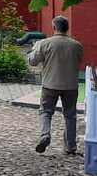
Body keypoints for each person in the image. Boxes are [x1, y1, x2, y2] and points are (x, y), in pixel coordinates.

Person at [28, 16, 85, 155]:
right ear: (67, 28)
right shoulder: (76, 45)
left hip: (50, 84)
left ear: (54, 27)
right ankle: (70, 146)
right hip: (71, 85)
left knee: (46, 112)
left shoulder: (45, 43)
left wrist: (33, 49)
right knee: (70, 115)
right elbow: (80, 60)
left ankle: (44, 136)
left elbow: (32, 61)